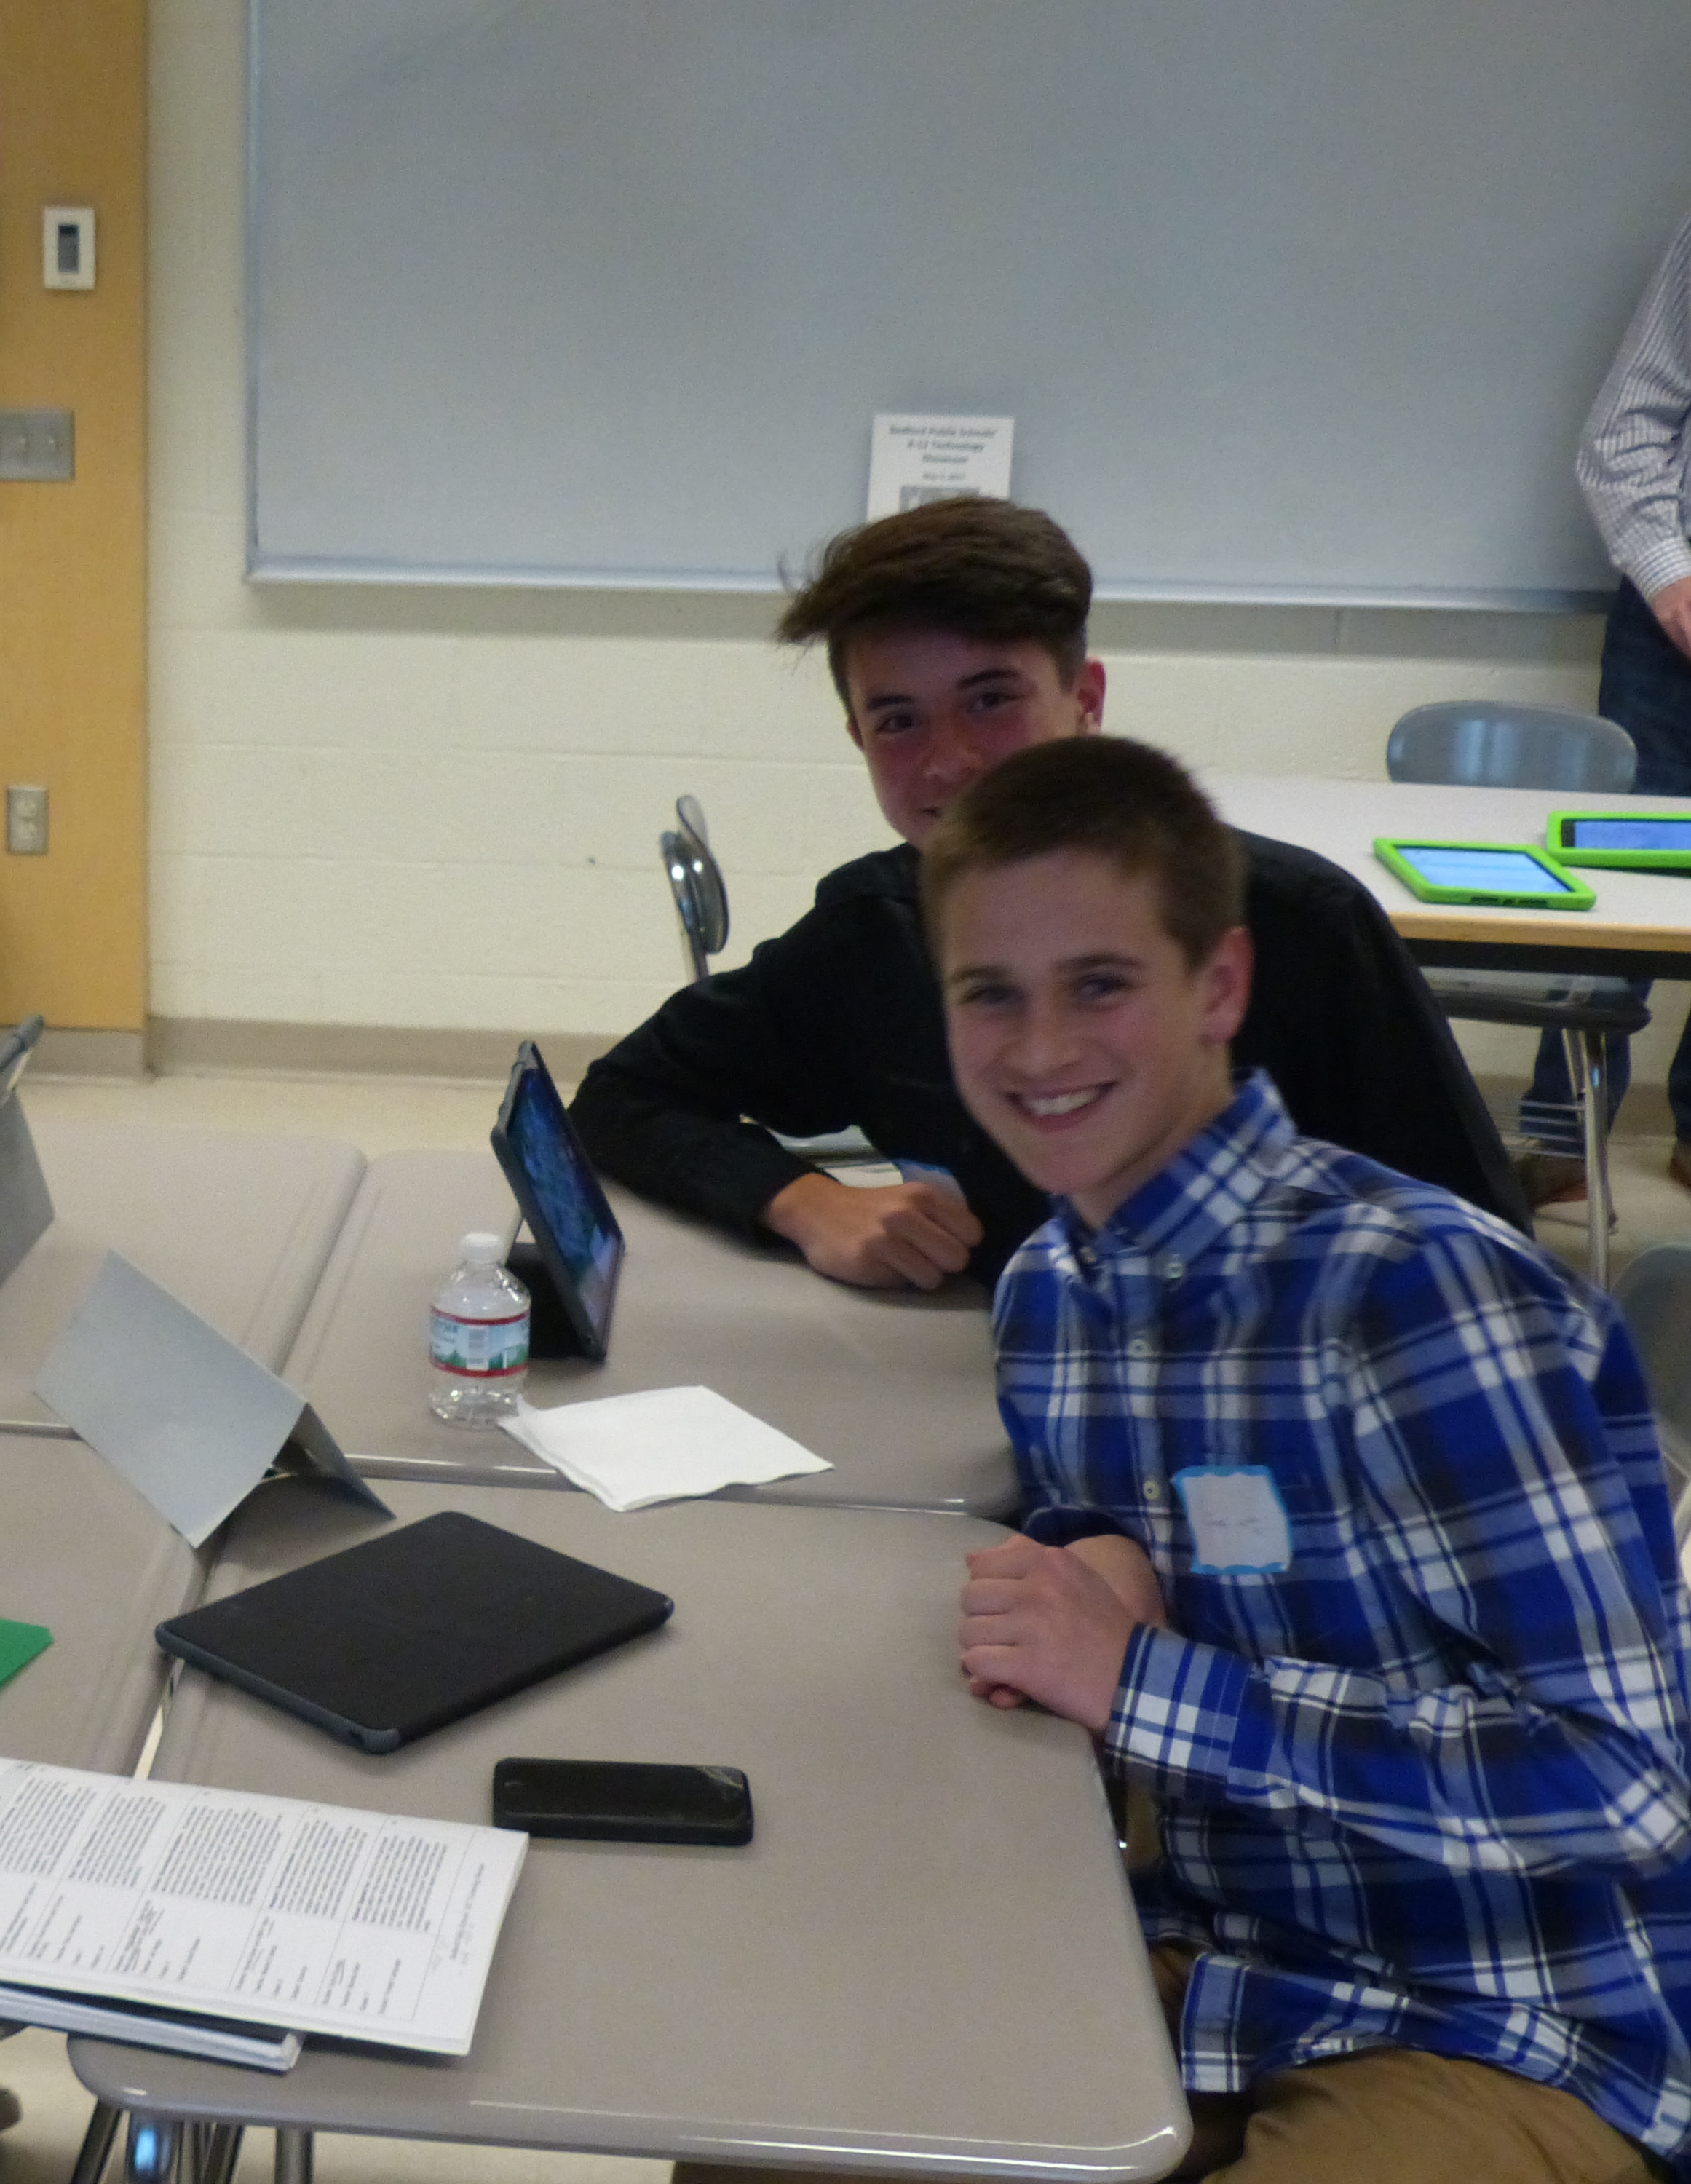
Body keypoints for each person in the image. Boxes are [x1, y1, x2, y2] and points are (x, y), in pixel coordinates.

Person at [936, 737, 1688, 2182]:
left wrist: (1143, 1683)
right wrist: (1099, 1553)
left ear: (1218, 984)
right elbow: (1140, 1541)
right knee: (810, 2110)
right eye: (990, 994)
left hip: (1510, 2014)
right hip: (1223, 1953)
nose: (1036, 1050)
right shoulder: (1048, 1296)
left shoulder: (1409, 1292)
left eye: (1099, 985)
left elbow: (1622, 1789)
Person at [569, 498, 1525, 1293]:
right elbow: (625, 1096)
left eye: (991, 700)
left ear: (1086, 699)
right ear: (858, 739)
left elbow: (1481, 1254)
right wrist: (802, 1201)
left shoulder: (1296, 922)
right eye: (897, 720)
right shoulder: (868, 933)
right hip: (1017, 1382)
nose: (948, 760)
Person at [1523, 205, 1691, 1202]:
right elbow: (1622, 431)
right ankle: (1560, 1137)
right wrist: (1671, 580)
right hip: (1677, 619)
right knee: (1617, 879)